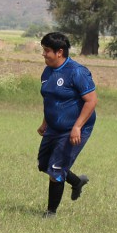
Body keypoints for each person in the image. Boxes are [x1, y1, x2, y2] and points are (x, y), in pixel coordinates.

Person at [37, 32, 95, 218]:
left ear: (59, 52)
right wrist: (45, 122)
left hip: (75, 128)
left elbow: (91, 101)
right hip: (53, 126)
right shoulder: (47, 71)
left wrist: (77, 127)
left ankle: (50, 213)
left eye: (47, 50)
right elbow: (50, 100)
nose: (43, 54)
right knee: (44, 164)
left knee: (55, 170)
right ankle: (76, 182)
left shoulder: (77, 72)